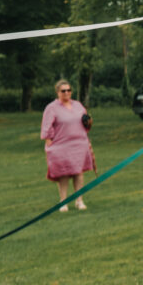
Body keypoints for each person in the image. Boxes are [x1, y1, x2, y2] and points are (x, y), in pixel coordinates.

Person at [41, 79, 94, 211]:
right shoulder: (52, 108)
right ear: (57, 92)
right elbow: (46, 128)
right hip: (61, 145)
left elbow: (86, 123)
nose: (66, 93)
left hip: (79, 144)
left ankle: (79, 200)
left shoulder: (78, 105)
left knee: (78, 172)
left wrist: (89, 122)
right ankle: (63, 202)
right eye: (63, 91)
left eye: (69, 90)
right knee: (63, 173)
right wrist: (50, 146)